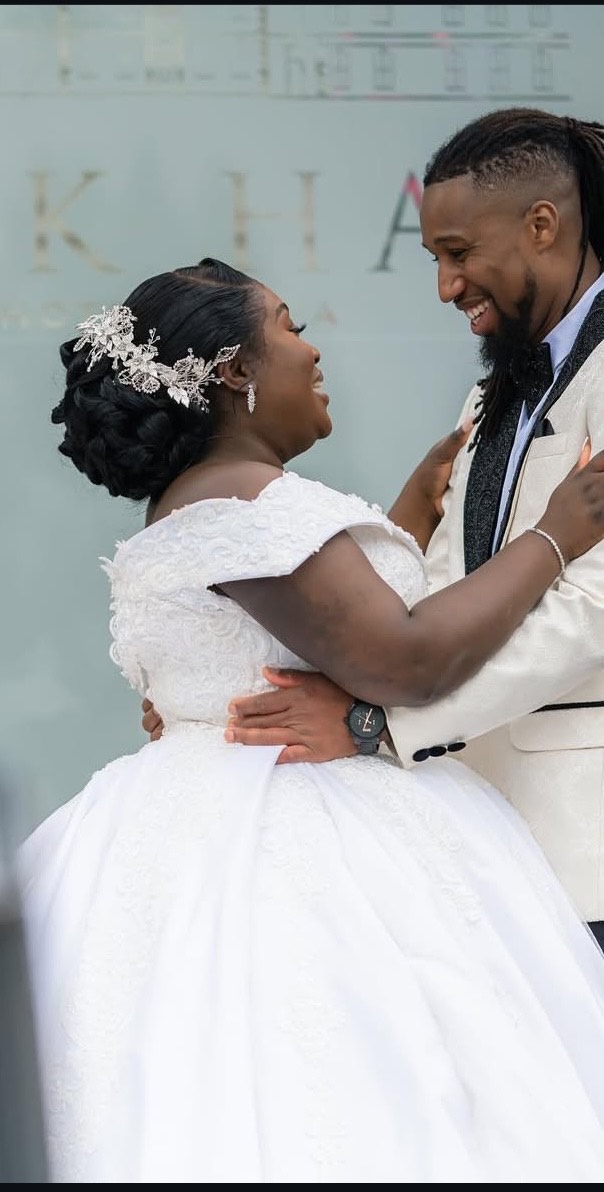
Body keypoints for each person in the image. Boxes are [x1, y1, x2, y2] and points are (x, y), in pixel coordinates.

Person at [18, 255, 604, 1184]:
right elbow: (403, 660)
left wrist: (409, 514)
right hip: (303, 831)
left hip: (197, 818)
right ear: (233, 372)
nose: (315, 346)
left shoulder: (200, 507)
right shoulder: (249, 507)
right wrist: (554, 535)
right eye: (290, 325)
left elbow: (313, 627)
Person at [192, 107, 604, 947]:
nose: (447, 287)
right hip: (481, 843)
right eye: (435, 260)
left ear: (542, 224)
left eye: (459, 255)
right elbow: (447, 593)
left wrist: (373, 724)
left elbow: (592, 607)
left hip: (584, 848)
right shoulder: (494, 395)